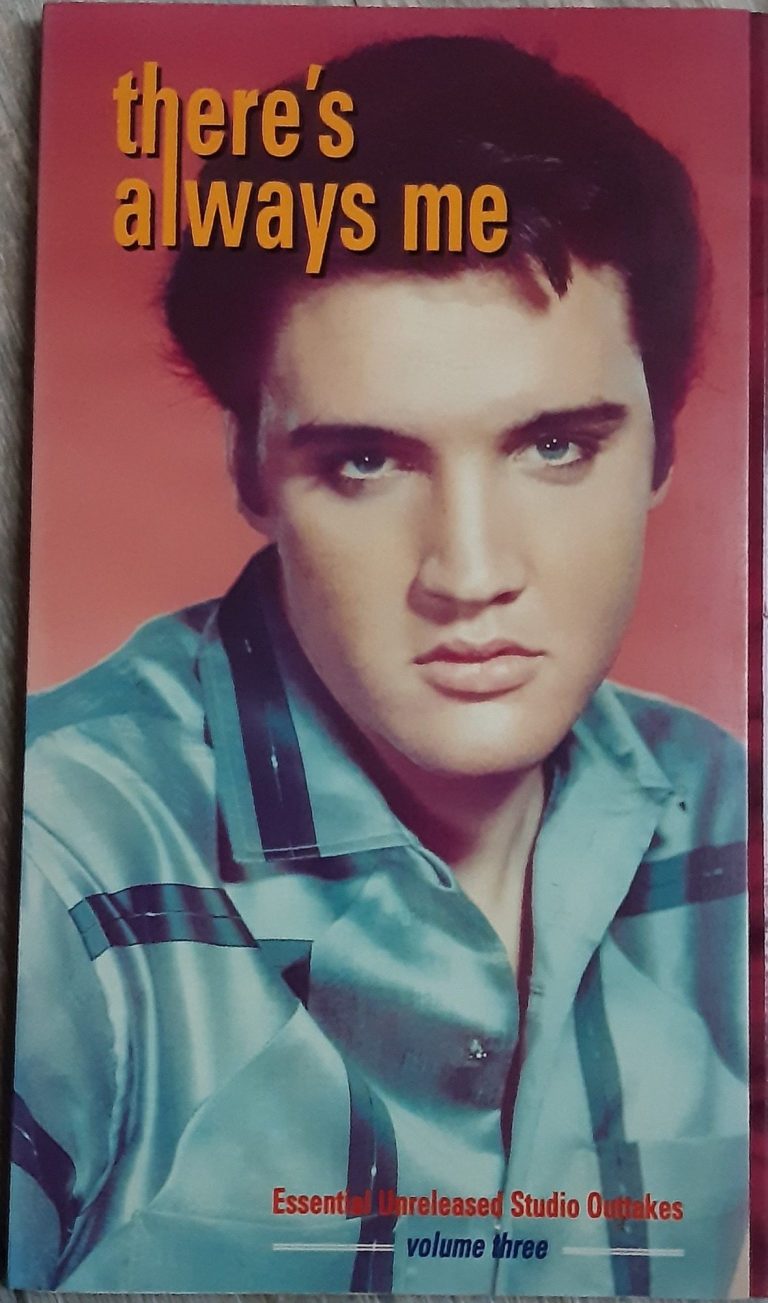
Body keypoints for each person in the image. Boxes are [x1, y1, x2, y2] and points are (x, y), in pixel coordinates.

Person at [8, 33, 748, 1296]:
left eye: (556, 447)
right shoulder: (56, 861)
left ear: (666, 449)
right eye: (366, 460)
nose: (469, 571)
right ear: (249, 470)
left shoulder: (727, 813)